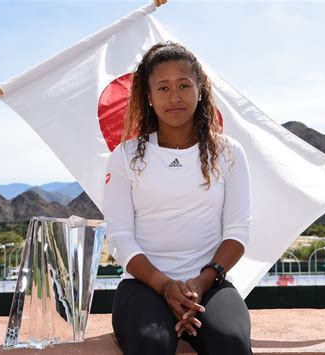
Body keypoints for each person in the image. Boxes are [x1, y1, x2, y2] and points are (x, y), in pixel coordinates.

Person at [102, 41, 253, 355]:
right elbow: (119, 237)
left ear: (200, 89)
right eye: (163, 87)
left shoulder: (229, 153)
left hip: (209, 286)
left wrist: (199, 283)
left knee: (232, 344)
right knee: (152, 345)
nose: (174, 97)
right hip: (143, 286)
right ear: (149, 96)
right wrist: (164, 286)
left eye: (184, 85)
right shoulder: (125, 156)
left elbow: (237, 232)